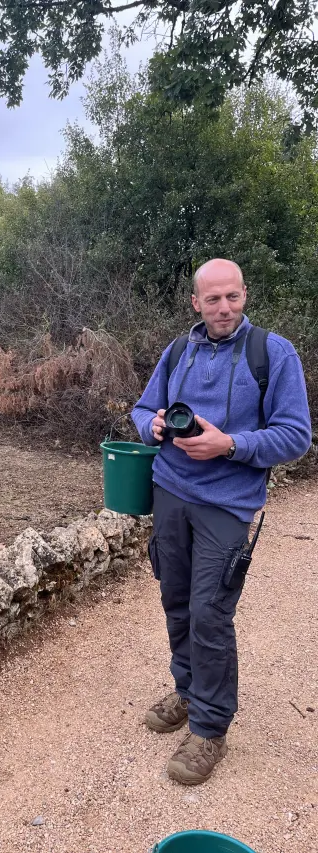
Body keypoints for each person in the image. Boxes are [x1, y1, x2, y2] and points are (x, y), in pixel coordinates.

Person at [131, 258, 312, 786]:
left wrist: (229, 444)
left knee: (210, 613)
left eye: (232, 297)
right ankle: (187, 691)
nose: (224, 308)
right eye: (213, 299)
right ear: (196, 303)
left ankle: (210, 728)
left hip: (228, 506)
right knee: (176, 600)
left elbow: (295, 435)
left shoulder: (272, 354)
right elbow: (142, 410)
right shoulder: (177, 350)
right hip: (170, 495)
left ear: (245, 295)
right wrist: (155, 425)